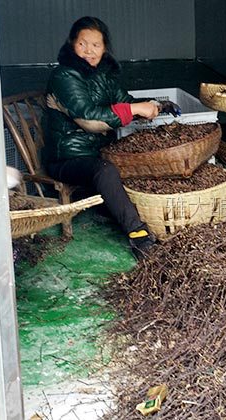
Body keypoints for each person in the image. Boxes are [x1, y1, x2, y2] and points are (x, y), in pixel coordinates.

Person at [42, 16, 181, 260]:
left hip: (97, 150)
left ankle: (120, 208)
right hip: (67, 156)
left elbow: (123, 101)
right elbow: (90, 120)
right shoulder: (65, 76)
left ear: (105, 47)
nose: (89, 51)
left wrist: (153, 105)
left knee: (132, 159)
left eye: (96, 45)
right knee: (105, 171)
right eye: (83, 44)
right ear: (72, 43)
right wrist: (136, 110)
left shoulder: (103, 74)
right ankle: (138, 235)